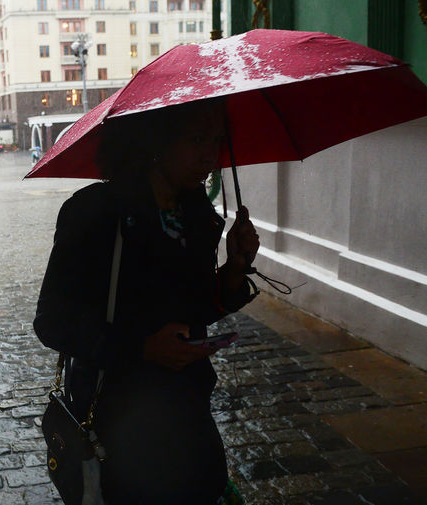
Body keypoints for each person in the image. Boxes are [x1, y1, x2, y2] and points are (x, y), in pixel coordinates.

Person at [33, 98, 259, 504]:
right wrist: (143, 348)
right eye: (196, 139)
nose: (211, 156)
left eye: (217, 141)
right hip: (118, 417)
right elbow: (53, 320)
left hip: (188, 407)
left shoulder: (197, 213)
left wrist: (235, 269)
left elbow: (196, 307)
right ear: (156, 141)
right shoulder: (96, 212)